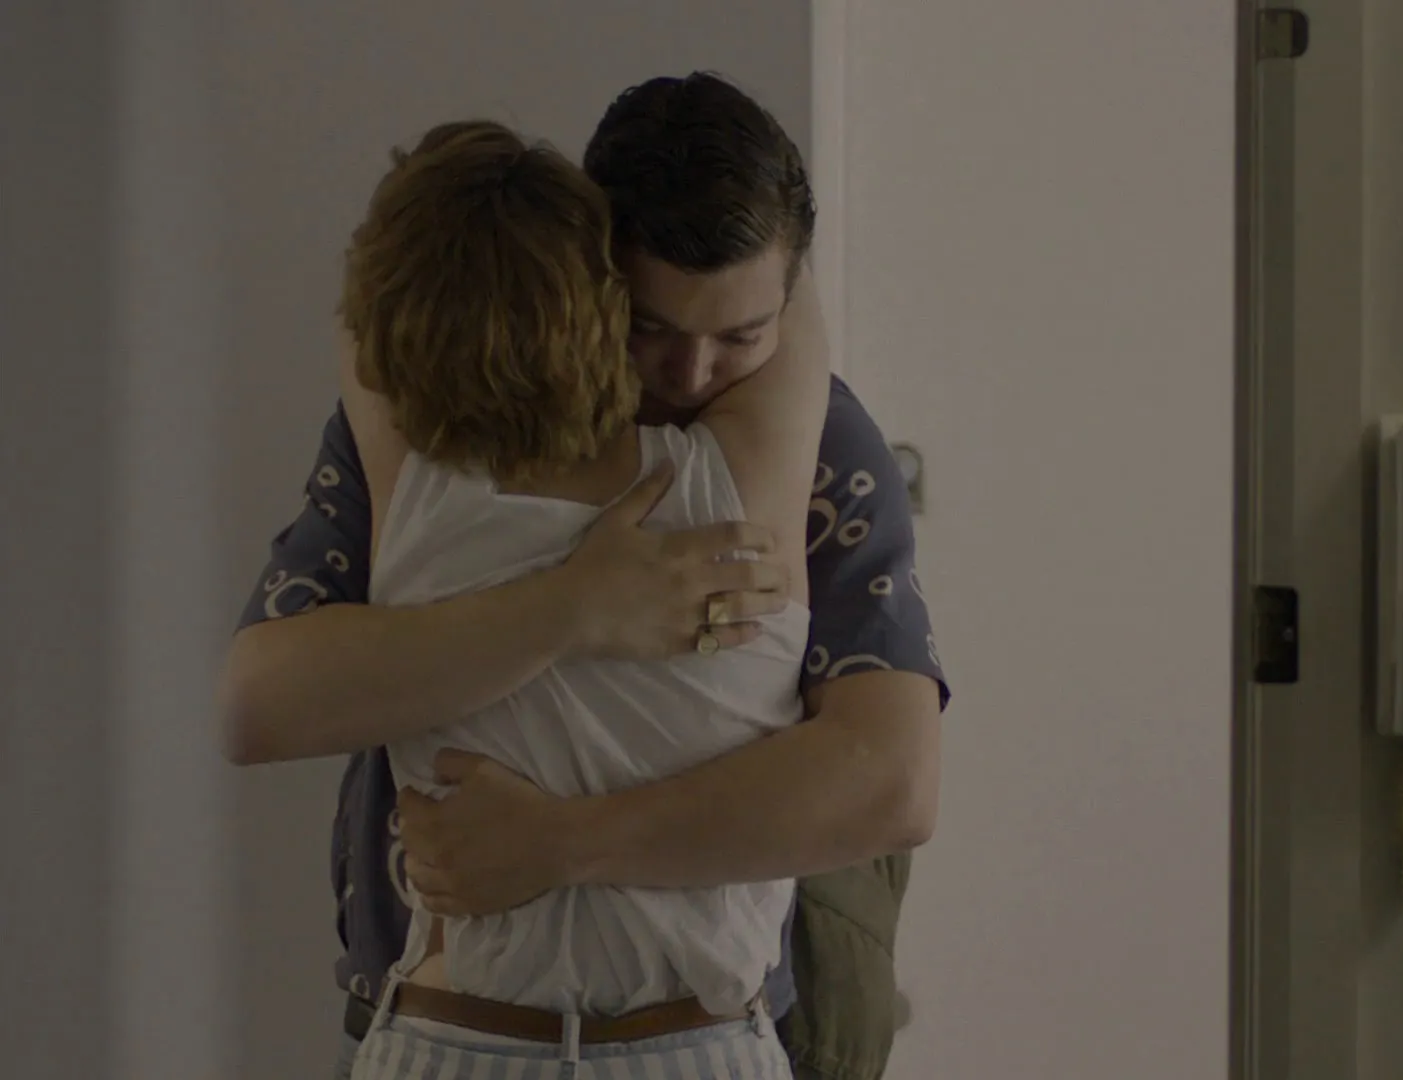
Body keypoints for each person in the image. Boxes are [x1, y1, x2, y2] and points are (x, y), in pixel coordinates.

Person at [218, 74, 946, 1080]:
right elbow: (258, 703)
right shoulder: (442, 439)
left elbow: (889, 783)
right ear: (593, 281)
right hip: (451, 1009)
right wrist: (573, 608)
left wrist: (563, 842)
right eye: (651, 328)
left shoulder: (824, 449)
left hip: (690, 1019)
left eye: (742, 336)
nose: (693, 374)